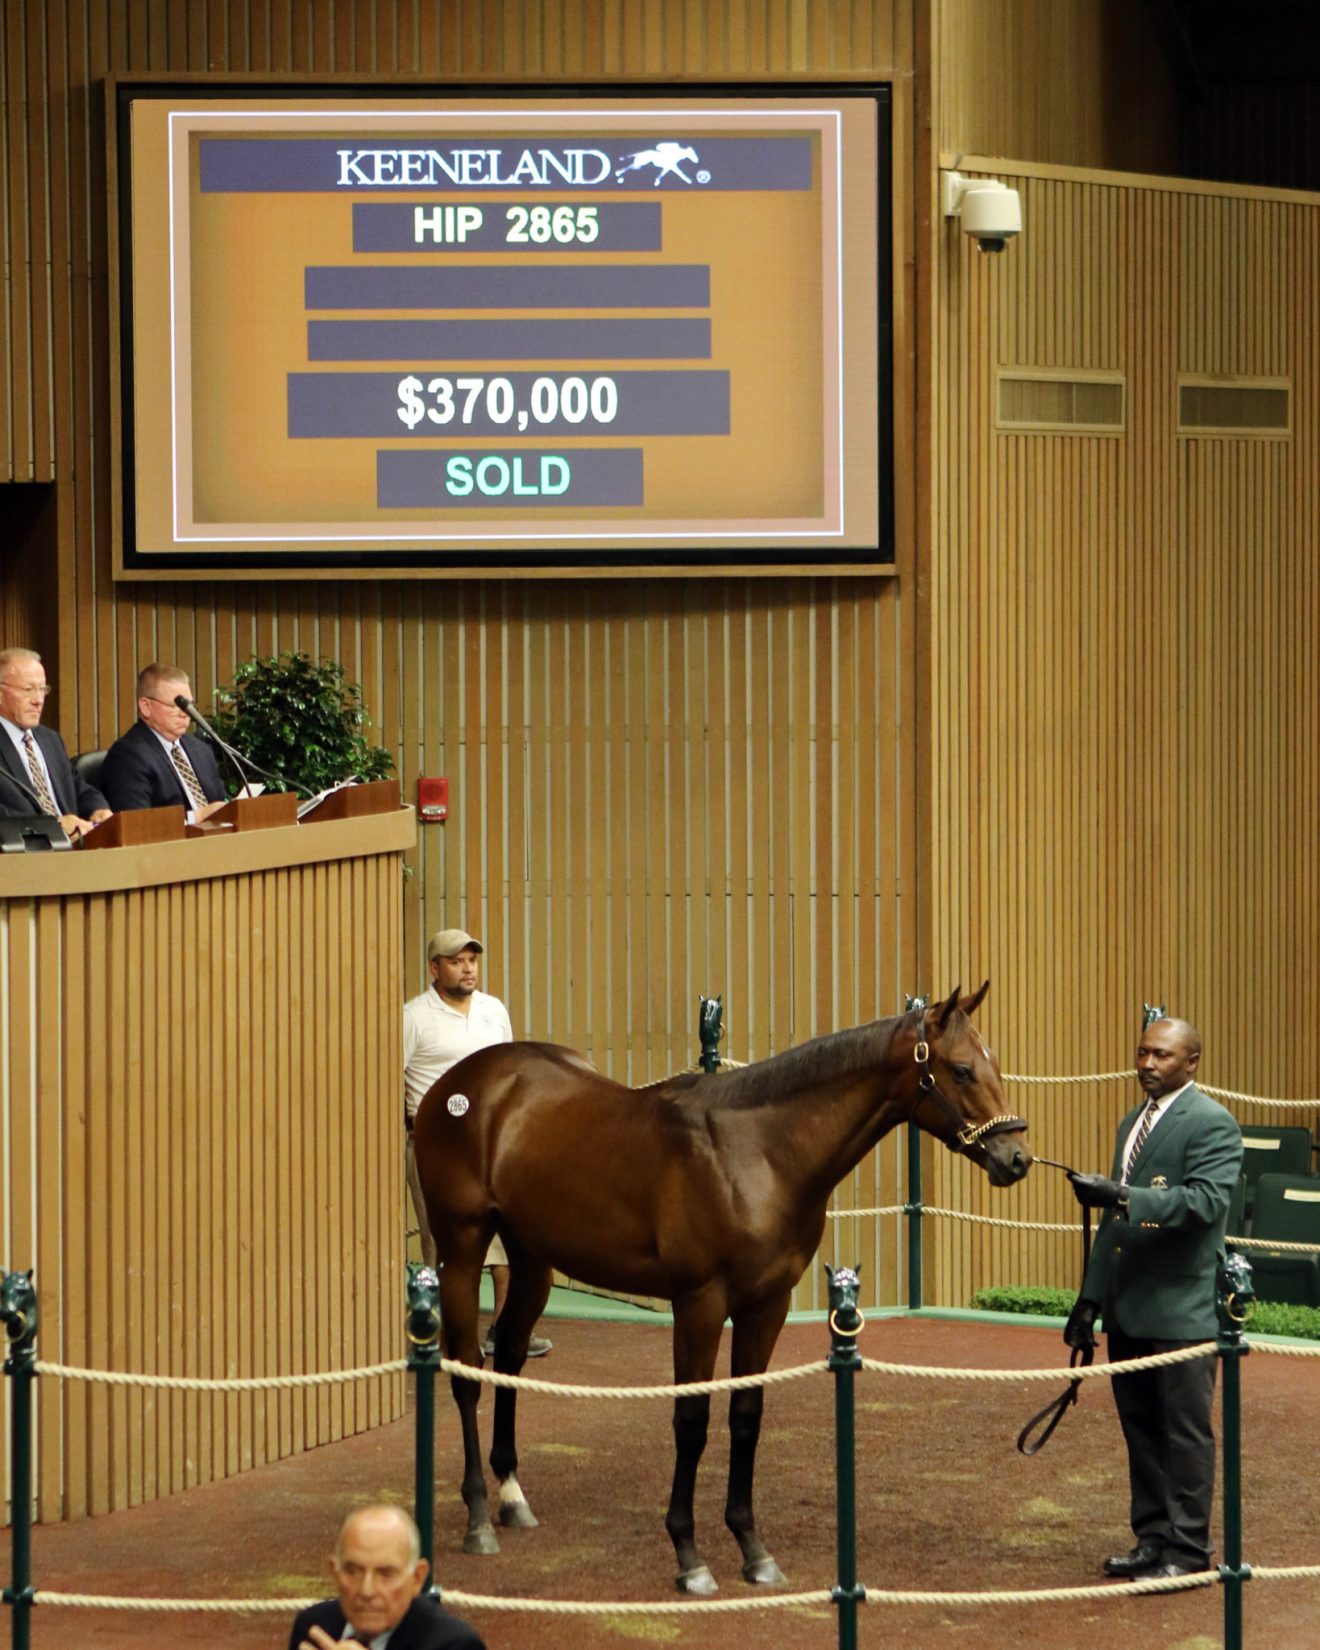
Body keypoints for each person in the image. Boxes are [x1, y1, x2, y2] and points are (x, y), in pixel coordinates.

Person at [1064, 1016, 1242, 1581]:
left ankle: (1188, 1551)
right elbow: (1116, 1227)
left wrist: (1120, 1192)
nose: (1147, 1063)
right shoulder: (1130, 1124)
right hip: (1129, 1307)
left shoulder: (1213, 1123)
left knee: (1185, 1434)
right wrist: (1089, 1301)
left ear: (1191, 1063)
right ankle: (1152, 1537)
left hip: (1183, 1310)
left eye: (1162, 1055)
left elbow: (1206, 1204)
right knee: (1140, 1430)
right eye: (1143, 1052)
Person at [404, 927, 552, 1358]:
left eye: (471, 959)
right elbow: (389, 1080)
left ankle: (503, 1330)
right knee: (443, 1246)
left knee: (507, 1242)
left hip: (496, 1149)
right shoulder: (413, 1017)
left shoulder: (493, 1010)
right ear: (435, 969)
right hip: (437, 1150)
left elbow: (508, 1072)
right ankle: (434, 1337)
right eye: (456, 960)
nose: (467, 967)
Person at [289, 1503, 484, 1650]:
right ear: (335, 1572)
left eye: (386, 1574)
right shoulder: (314, 1626)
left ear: (417, 1578)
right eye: (353, 1571)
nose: (367, 1590)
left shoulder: (453, 1644)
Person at [0, 646, 111, 837]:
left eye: (42, 689)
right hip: (23, 858)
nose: (38, 700)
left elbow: (78, 788)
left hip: (75, 850)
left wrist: (98, 809)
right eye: (28, 690)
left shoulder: (50, 740)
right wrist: (53, 826)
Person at [98, 662, 229, 821]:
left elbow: (221, 801)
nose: (185, 714)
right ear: (146, 707)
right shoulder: (127, 756)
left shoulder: (200, 749)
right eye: (176, 705)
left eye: (189, 705)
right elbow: (137, 822)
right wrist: (197, 817)